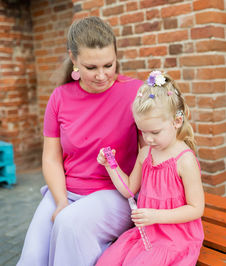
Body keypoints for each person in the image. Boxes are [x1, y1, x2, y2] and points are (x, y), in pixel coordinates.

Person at [17, 16, 144, 266]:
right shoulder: (59, 98)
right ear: (73, 59)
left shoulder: (136, 92)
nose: (102, 75)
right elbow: (51, 159)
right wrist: (61, 200)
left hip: (115, 194)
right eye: (91, 68)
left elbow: (151, 148)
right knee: (31, 259)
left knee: (69, 224)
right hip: (66, 191)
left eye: (109, 65)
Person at [96, 71, 205, 266]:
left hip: (175, 238)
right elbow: (129, 189)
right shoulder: (146, 153)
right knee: (107, 262)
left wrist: (156, 216)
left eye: (155, 132)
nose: (148, 139)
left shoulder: (184, 160)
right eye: (142, 131)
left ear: (177, 122)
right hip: (146, 233)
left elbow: (196, 209)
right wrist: (110, 165)